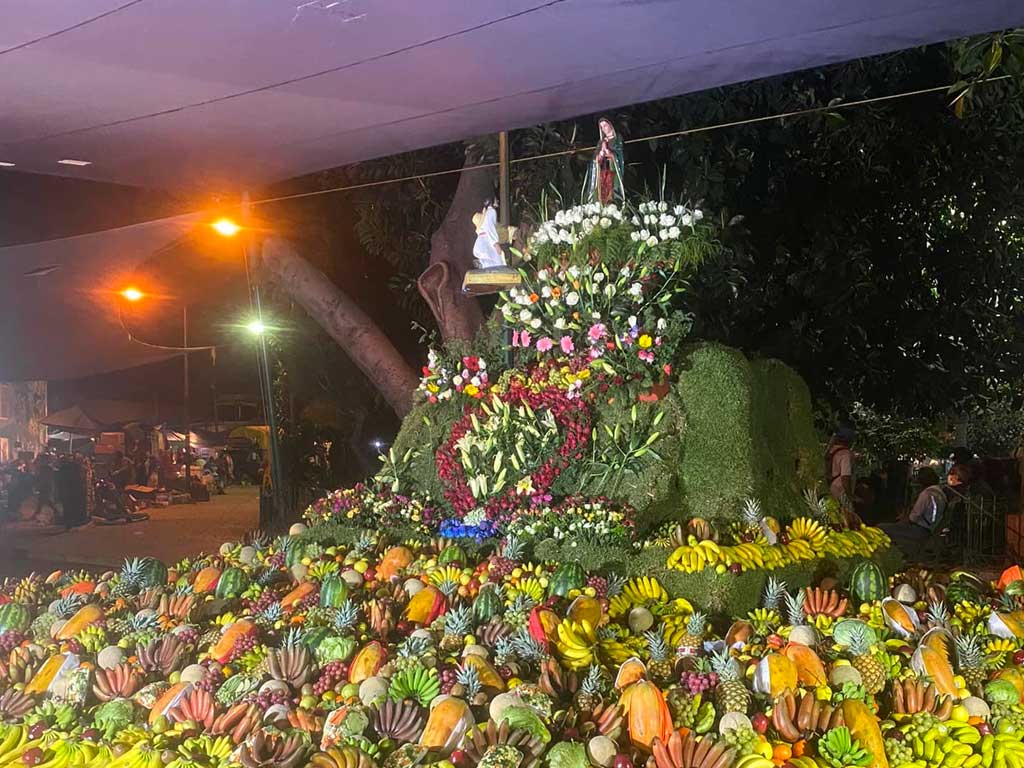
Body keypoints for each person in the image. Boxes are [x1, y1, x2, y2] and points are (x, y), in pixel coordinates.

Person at [583, 117, 625, 204]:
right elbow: (596, 158)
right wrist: (601, 152)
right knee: (601, 193)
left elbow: (619, 154)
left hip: (612, 171)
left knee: (611, 193)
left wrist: (609, 152)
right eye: (601, 127)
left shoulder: (617, 138)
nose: (604, 128)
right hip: (602, 172)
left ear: (610, 125)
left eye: (605, 125)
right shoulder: (601, 141)